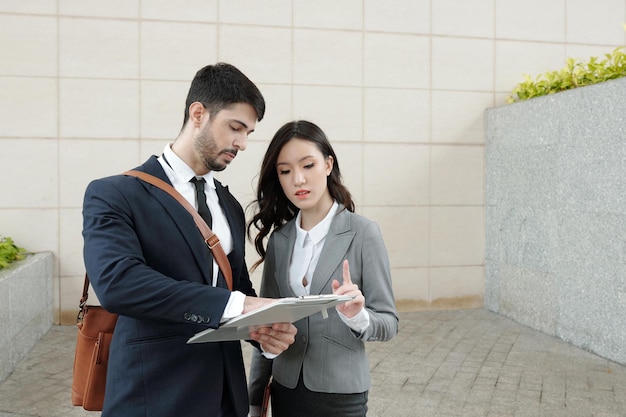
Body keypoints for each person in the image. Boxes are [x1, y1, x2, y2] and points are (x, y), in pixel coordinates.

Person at [82, 63, 297, 417]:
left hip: (225, 396)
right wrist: (239, 306)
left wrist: (262, 328)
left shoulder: (228, 204)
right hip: (153, 394)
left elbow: (235, 287)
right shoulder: (115, 193)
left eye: (249, 133)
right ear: (198, 113)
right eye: (235, 128)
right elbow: (118, 283)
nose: (242, 144)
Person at [246, 120, 399, 417]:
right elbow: (267, 324)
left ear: (328, 165)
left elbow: (389, 323)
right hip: (285, 390)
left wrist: (358, 317)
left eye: (308, 165)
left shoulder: (363, 233)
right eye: (285, 171)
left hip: (341, 396)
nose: (298, 180)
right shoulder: (280, 240)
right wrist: (254, 400)